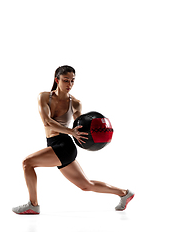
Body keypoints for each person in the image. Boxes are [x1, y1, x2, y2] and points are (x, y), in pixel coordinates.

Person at [12, 65, 134, 214]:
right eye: (65, 80)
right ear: (57, 80)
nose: (69, 84)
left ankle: (33, 204)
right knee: (86, 185)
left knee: (27, 163)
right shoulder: (44, 97)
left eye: (72, 81)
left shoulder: (75, 103)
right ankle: (124, 193)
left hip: (64, 146)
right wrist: (71, 131)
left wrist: (94, 136)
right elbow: (47, 121)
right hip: (56, 144)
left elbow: (80, 126)